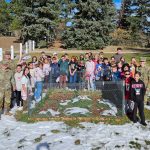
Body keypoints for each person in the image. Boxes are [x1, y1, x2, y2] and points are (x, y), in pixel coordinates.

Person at [0, 51, 15, 116]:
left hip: (8, 86)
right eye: (7, 55)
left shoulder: (10, 71)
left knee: (8, 100)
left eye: (9, 55)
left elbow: (12, 79)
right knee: (0, 99)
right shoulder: (1, 63)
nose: (5, 65)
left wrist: (14, 85)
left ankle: (7, 111)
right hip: (1, 86)